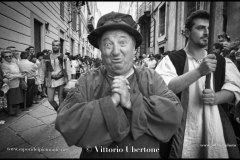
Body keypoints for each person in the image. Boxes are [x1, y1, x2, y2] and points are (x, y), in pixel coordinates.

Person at [55, 11, 183, 159]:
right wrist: (111, 102)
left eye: (123, 43)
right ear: (100, 51)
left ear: (134, 48)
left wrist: (132, 102)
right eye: (108, 44)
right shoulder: (87, 80)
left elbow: (174, 114)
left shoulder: (150, 78)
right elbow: (66, 121)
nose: (116, 51)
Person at [155, 10, 240, 158]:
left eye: (209, 28)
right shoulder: (171, 60)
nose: (206, 32)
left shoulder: (221, 61)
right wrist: (199, 71)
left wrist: (217, 97)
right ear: (187, 32)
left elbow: (235, 87)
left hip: (215, 127)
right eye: (200, 28)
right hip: (180, 129)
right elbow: (164, 88)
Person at [42, 40, 71, 111]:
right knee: (50, 99)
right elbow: (42, 70)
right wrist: (40, 82)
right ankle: (58, 109)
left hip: (62, 80)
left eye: (57, 45)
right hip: (50, 80)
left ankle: (60, 114)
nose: (55, 46)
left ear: (60, 47)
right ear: (52, 46)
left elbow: (68, 70)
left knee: (61, 98)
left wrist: (68, 81)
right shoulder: (45, 57)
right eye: (54, 45)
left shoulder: (64, 57)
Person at [1, 49, 25, 116]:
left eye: (10, 56)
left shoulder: (14, 63)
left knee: (17, 98)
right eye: (6, 56)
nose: (9, 57)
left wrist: (20, 75)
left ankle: (16, 112)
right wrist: (19, 76)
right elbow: (7, 75)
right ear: (3, 57)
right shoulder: (3, 65)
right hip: (10, 84)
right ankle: (11, 112)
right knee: (11, 99)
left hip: (17, 82)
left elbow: (18, 71)